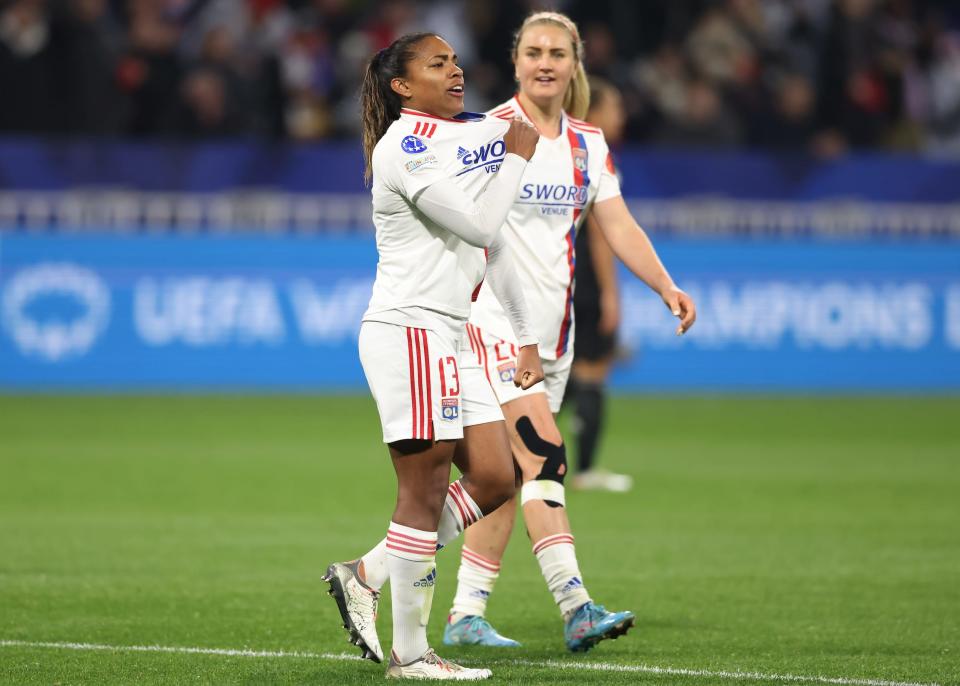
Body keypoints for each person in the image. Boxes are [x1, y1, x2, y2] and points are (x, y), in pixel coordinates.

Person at [440, 11, 697, 651]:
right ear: (516, 60)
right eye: (534, 51)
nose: (545, 62)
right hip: (496, 325)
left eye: (557, 52)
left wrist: (664, 284)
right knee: (546, 456)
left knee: (503, 478)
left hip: (555, 337)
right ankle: (576, 605)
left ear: (574, 63)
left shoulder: (588, 143)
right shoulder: (490, 133)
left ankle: (462, 612)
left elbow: (618, 225)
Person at [322, 32, 542, 680]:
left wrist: (525, 334)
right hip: (411, 328)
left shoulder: (453, 149)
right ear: (401, 85)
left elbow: (490, 247)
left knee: (499, 476)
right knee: (423, 491)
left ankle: (367, 573)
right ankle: (411, 653)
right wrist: (518, 158)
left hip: (453, 332)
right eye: (436, 63)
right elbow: (479, 226)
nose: (456, 70)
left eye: (455, 60)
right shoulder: (408, 146)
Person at [566, 77, 632, 494]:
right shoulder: (595, 156)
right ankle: (585, 470)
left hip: (560, 276)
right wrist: (611, 292)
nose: (620, 116)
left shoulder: (563, 151)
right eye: (615, 108)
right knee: (591, 371)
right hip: (586, 277)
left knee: (566, 371)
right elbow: (603, 234)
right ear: (594, 112)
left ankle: (523, 454)